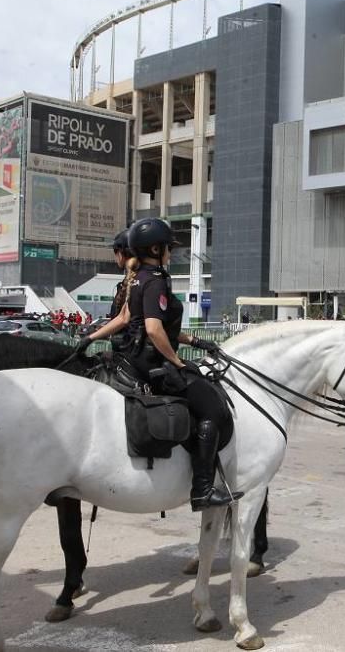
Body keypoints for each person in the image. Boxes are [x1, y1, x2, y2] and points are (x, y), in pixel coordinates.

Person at [78, 217, 237, 510]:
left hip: (132, 360)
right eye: (167, 248)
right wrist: (176, 361)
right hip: (152, 365)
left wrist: (90, 337)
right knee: (212, 408)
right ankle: (202, 490)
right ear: (155, 248)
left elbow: (124, 319)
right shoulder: (155, 281)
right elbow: (153, 328)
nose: (170, 253)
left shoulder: (136, 280)